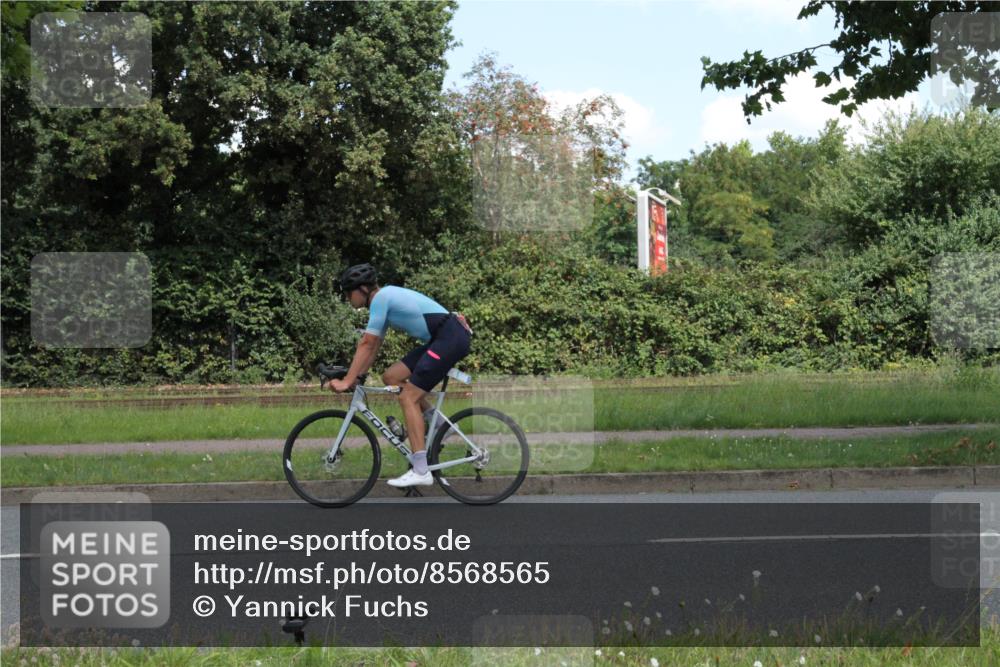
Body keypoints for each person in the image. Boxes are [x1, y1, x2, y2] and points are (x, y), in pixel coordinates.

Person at [328, 263, 472, 488]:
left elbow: (367, 343)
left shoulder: (381, 299)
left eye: (349, 292)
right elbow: (373, 347)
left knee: (408, 398)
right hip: (443, 337)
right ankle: (440, 426)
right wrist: (358, 376)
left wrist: (347, 380)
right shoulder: (383, 300)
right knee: (392, 377)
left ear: (363, 290)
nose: (348, 297)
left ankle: (421, 470)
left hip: (449, 338)